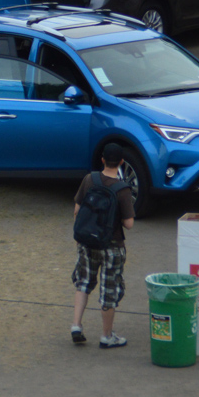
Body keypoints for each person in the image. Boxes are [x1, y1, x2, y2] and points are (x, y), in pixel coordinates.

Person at [70, 142, 134, 349]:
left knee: (84, 282)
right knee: (109, 289)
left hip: (88, 242)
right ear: (122, 163)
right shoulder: (122, 190)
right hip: (112, 246)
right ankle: (107, 336)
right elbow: (129, 224)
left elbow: (77, 210)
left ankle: (76, 325)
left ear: (103, 159)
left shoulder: (90, 179)